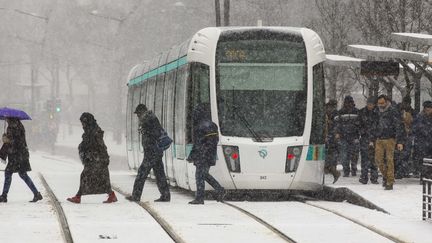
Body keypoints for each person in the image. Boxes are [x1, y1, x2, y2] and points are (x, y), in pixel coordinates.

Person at [67, 113, 117, 203]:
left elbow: (99, 146)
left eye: (83, 123)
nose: (82, 125)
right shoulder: (90, 131)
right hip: (95, 159)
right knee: (102, 179)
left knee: (85, 176)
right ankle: (111, 195)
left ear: (87, 122)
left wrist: (97, 156)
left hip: (96, 159)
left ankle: (78, 197)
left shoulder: (94, 131)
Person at [126, 104, 170, 202]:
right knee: (159, 174)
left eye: (138, 114)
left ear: (142, 112)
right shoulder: (150, 118)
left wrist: (144, 130)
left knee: (141, 174)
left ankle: (136, 196)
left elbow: (153, 134)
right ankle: (165, 195)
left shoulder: (148, 120)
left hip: (152, 152)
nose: (138, 117)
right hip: (155, 152)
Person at [187, 104, 225, 204]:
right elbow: (204, 143)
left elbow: (205, 143)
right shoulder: (209, 124)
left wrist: (199, 154)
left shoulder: (203, 126)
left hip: (203, 155)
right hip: (205, 155)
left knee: (200, 175)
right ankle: (219, 189)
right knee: (203, 175)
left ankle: (200, 198)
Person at [0, 118, 43, 203]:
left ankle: (4, 196)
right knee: (23, 175)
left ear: (10, 119)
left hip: (17, 155)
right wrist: (7, 139)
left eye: (7, 118)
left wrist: (7, 140)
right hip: (20, 155)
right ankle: (36, 194)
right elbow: (18, 141)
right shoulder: (18, 126)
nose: (6, 119)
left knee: (9, 173)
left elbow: (17, 142)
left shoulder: (13, 127)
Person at [372, 95, 405, 190]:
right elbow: (374, 125)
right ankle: (387, 177)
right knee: (378, 160)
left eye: (382, 103)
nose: (380, 105)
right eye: (379, 103)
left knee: (389, 160)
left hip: (390, 138)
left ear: (386, 102)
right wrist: (372, 137)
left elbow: (399, 126)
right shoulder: (377, 112)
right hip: (379, 138)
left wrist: (399, 141)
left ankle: (389, 181)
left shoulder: (393, 111)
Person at [334, 96, 360, 177]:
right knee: (344, 155)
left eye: (350, 102)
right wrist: (337, 133)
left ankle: (353, 169)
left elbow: (361, 124)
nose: (348, 104)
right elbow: (337, 124)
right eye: (347, 102)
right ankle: (346, 170)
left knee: (354, 155)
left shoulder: (357, 112)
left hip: (354, 136)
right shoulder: (341, 112)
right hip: (344, 137)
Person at [358, 97, 379, 184]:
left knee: (374, 159)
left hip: (375, 138)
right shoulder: (362, 112)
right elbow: (358, 124)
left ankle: (374, 177)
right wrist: (363, 132)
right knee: (365, 158)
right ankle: (364, 177)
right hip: (365, 137)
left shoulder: (377, 113)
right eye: (368, 104)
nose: (370, 106)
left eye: (371, 104)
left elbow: (379, 126)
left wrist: (374, 135)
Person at [395, 96, 416, 178]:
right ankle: (400, 171)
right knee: (400, 154)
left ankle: (402, 171)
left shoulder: (410, 112)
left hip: (406, 135)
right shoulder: (399, 111)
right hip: (402, 135)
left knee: (405, 155)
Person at [413, 101, 432, 179]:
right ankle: (424, 175)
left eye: (430, 109)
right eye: (427, 109)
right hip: (422, 142)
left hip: (428, 141)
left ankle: (428, 174)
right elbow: (417, 128)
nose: (428, 110)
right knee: (423, 160)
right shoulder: (419, 117)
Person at [324, 99, 340, 183]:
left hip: (328, 136)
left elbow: (335, 124)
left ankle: (332, 170)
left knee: (328, 155)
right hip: (329, 136)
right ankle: (333, 170)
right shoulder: (334, 112)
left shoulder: (325, 111)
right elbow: (336, 124)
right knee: (329, 155)